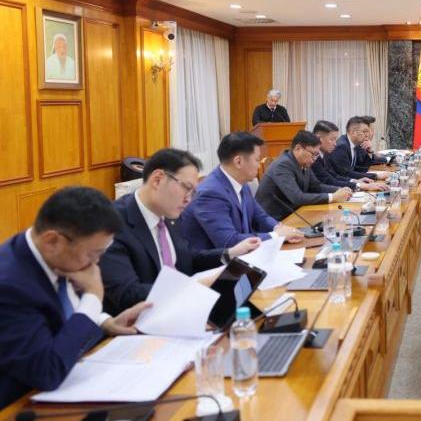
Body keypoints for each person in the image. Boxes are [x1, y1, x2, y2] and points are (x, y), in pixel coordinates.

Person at [0, 187, 151, 407]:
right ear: (52, 241)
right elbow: (46, 372)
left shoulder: (52, 256)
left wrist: (106, 322)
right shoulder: (10, 287)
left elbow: (64, 309)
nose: (96, 263)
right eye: (92, 254)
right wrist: (93, 298)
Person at [100, 148, 261, 316]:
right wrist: (193, 287)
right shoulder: (111, 223)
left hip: (182, 310)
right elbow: (127, 293)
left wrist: (230, 253)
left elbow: (186, 259)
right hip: (141, 321)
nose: (188, 199)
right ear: (157, 180)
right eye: (186, 188)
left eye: (193, 192)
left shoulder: (169, 213)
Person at [181, 132, 303, 250]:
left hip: (245, 255)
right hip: (217, 262)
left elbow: (260, 216)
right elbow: (229, 242)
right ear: (238, 161)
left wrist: (278, 228)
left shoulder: (241, 182)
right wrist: (276, 235)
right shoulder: (210, 193)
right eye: (257, 160)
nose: (259, 165)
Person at [256, 131, 353, 221]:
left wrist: (340, 190)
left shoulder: (303, 162)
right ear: (298, 148)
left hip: (295, 213)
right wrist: (332, 197)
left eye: (317, 155)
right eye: (313, 154)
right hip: (275, 220)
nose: (314, 159)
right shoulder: (283, 165)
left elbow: (316, 187)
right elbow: (297, 198)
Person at [311, 120, 387, 192]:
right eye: (332, 139)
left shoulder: (324, 154)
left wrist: (354, 181)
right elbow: (330, 180)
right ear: (319, 138)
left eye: (335, 139)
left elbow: (334, 176)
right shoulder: (313, 158)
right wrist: (361, 185)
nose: (335, 144)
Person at [327, 117, 390, 181]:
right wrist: (376, 176)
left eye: (368, 132)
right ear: (353, 132)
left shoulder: (354, 145)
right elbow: (346, 174)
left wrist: (369, 152)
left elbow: (361, 169)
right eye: (364, 131)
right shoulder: (342, 146)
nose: (367, 135)